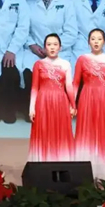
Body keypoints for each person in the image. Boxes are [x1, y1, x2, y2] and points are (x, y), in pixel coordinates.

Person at [74, 29, 105, 180]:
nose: (96, 42)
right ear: (88, 42)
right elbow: (75, 84)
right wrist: (71, 103)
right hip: (87, 98)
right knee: (87, 132)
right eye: (93, 39)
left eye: (99, 39)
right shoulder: (82, 59)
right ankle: (86, 168)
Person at [28, 34, 76, 162]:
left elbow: (69, 86)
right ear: (44, 48)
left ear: (60, 47)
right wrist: (32, 108)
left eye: (55, 44)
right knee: (43, 131)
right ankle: (43, 162)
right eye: (49, 45)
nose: (52, 47)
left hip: (61, 101)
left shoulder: (65, 64)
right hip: (43, 101)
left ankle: (61, 161)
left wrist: (73, 105)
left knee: (60, 132)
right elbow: (34, 88)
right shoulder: (38, 64)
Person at [24, 0, 78, 72]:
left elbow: (71, 33)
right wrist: (32, 45)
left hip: (60, 52)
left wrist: (52, 48)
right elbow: (24, 29)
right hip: (34, 53)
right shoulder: (28, 4)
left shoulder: (67, 4)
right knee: (31, 73)